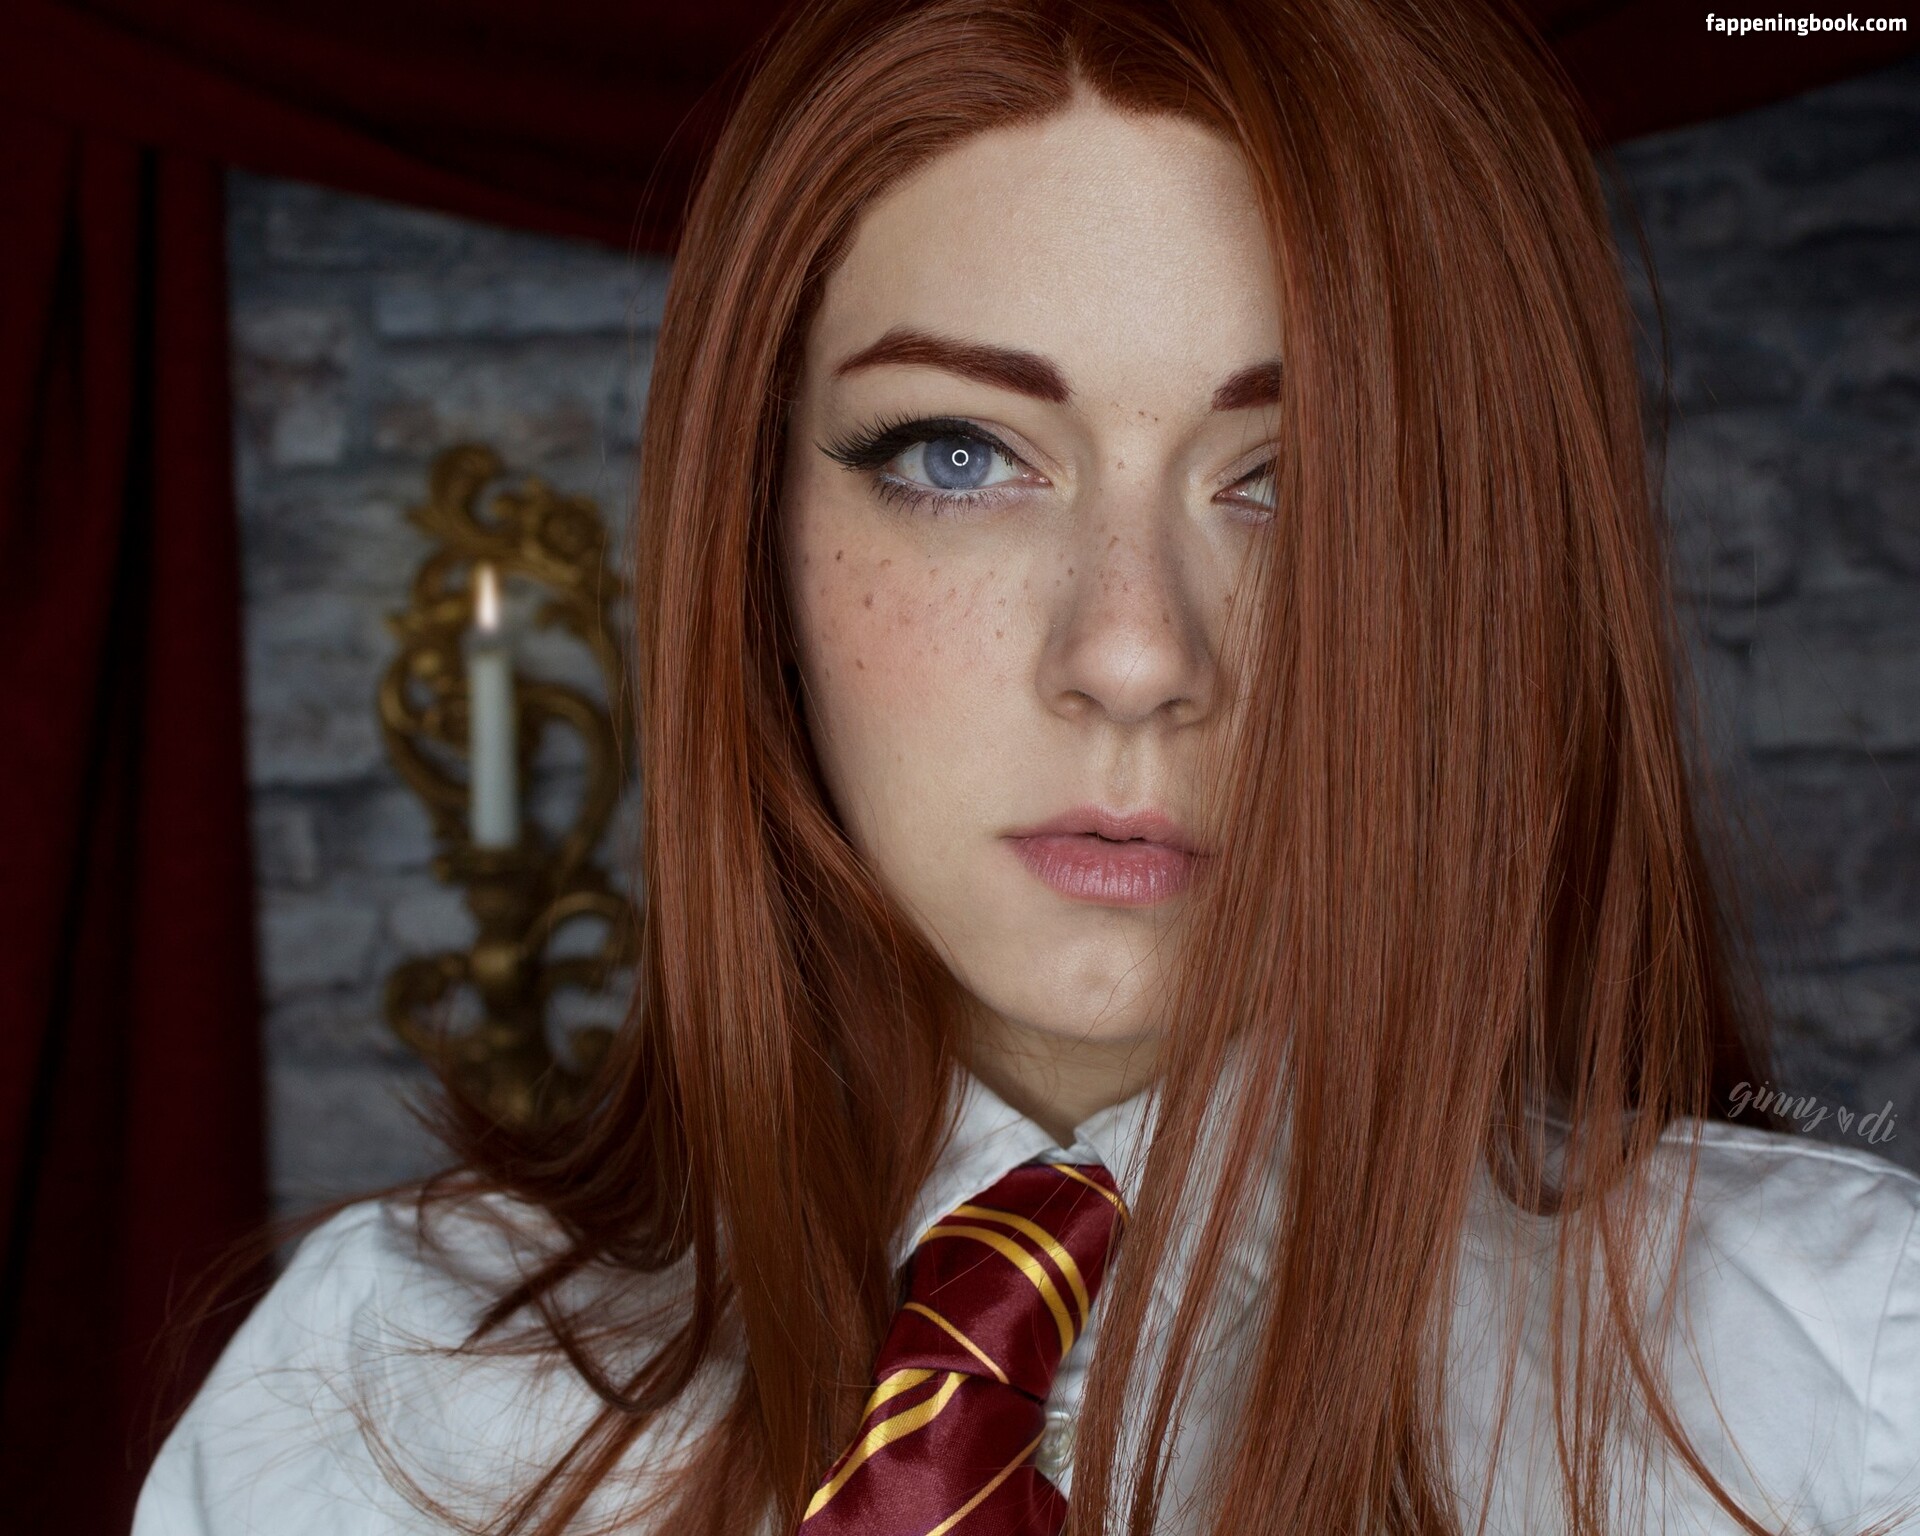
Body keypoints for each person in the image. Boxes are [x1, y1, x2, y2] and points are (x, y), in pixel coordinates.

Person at [135, 0, 1920, 1532]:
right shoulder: (369, 1399)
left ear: (1491, 571)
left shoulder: (1850, 1392)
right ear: (756, 536)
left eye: (1298, 482)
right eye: (959, 457)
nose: (1133, 656)